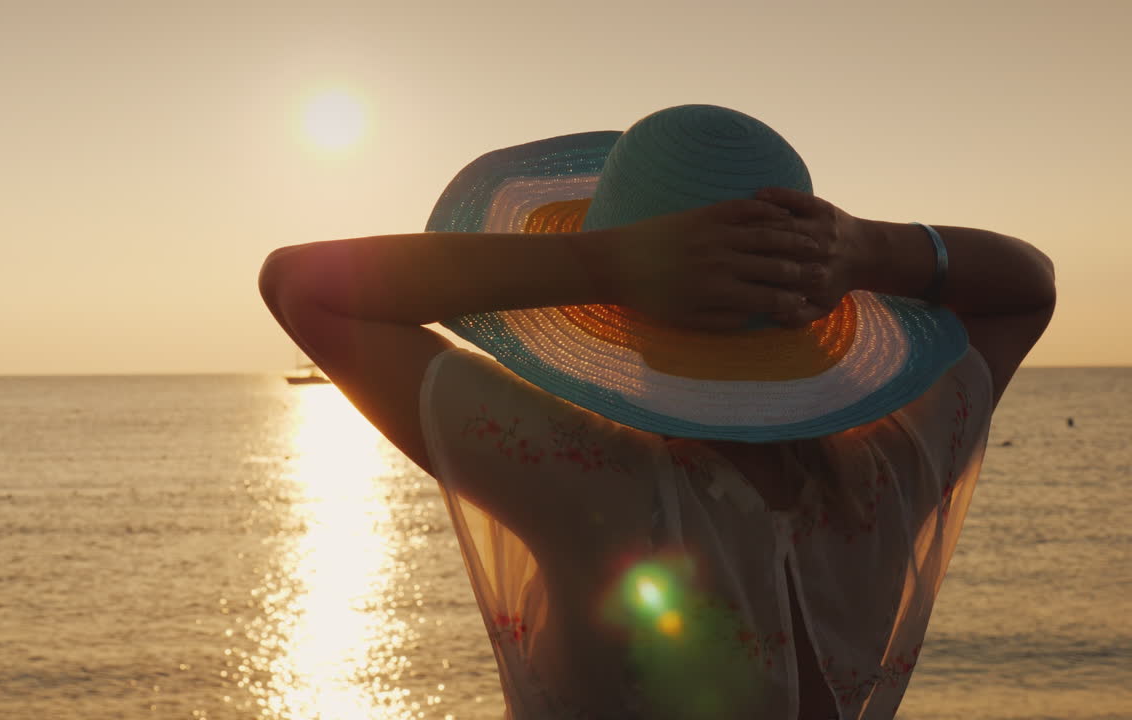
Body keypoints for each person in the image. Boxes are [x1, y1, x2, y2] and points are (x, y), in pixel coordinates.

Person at [258, 105, 1055, 720]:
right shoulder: (887, 475)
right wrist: (863, 251)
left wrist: (606, 262)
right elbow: (1029, 288)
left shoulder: (592, 483)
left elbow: (304, 285)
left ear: (627, 310)